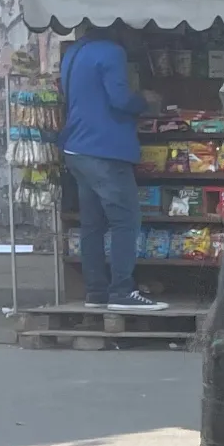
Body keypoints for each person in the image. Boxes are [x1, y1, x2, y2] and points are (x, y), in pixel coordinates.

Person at [58, 25, 166, 311]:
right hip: (105, 149)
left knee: (92, 224)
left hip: (76, 147)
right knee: (125, 220)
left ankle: (96, 291)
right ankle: (122, 291)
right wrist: (145, 100)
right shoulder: (112, 52)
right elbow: (119, 99)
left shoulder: (73, 52)